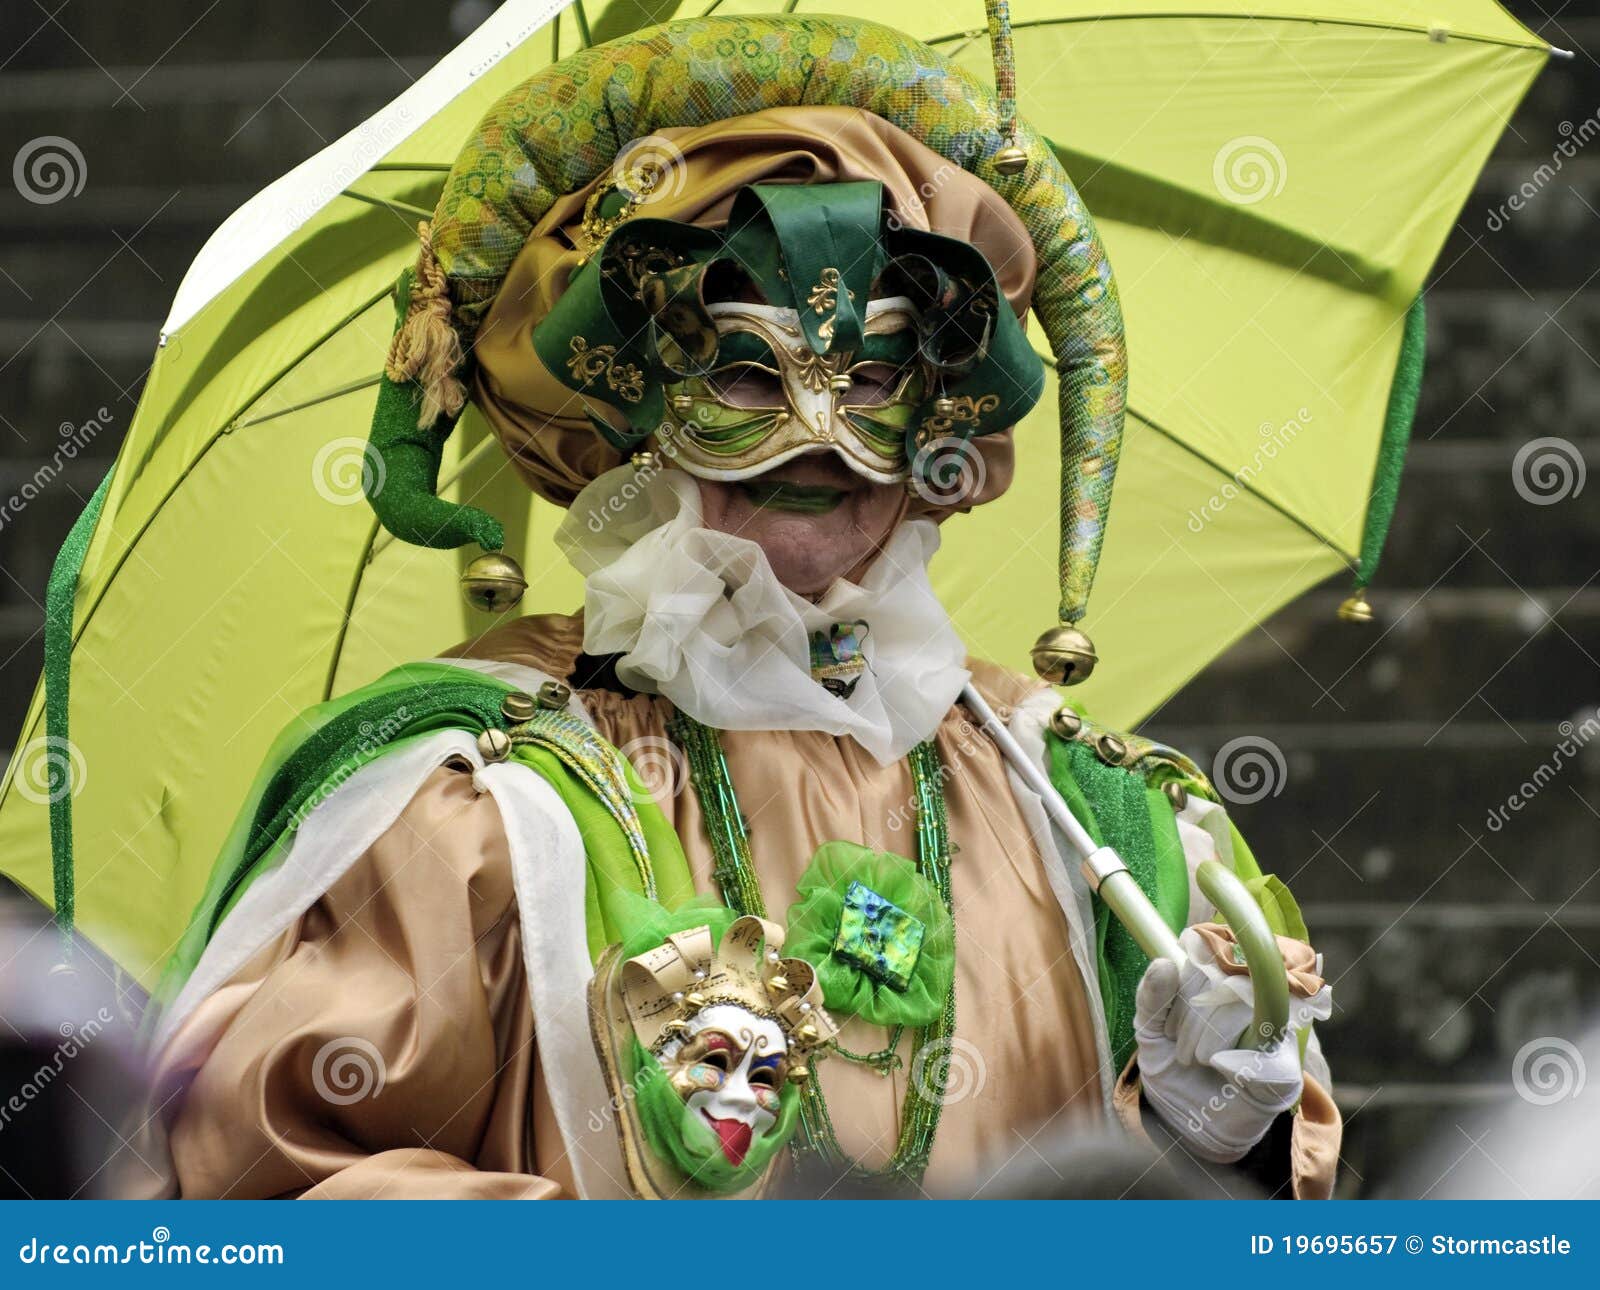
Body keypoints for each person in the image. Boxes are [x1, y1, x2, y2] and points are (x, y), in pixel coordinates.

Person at [128, 13, 1338, 1201]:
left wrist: (1205, 1143)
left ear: (942, 425)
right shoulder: (476, 806)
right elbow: (266, 1182)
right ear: (636, 407)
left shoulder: (1090, 817)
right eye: (748, 371)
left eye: (870, 378)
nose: (816, 436)